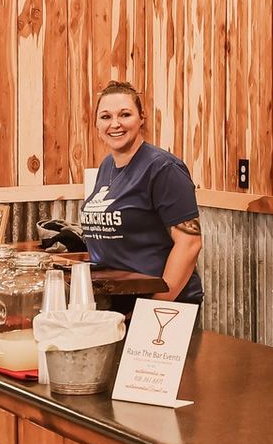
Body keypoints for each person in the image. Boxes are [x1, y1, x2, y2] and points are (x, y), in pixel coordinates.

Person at [79, 80, 202, 311]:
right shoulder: (107, 166)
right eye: (105, 117)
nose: (115, 124)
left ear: (141, 118)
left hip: (162, 303)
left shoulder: (163, 168)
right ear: (96, 123)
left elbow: (190, 243)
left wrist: (155, 308)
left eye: (125, 114)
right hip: (117, 301)